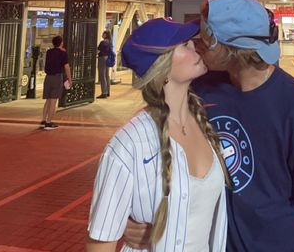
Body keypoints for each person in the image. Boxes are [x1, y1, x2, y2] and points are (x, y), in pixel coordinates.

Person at [124, 0, 294, 252]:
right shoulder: (200, 88)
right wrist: (132, 216)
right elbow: (151, 142)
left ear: (230, 48)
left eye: (206, 38)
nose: (198, 43)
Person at [87, 18, 228, 251]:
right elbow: (100, 242)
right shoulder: (129, 144)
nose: (196, 47)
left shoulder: (207, 125)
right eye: (185, 45)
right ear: (161, 68)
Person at [40, 35, 71, 130]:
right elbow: (66, 67)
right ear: (61, 43)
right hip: (57, 77)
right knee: (54, 101)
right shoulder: (63, 53)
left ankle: (43, 120)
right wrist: (69, 78)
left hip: (48, 77)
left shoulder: (49, 52)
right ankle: (49, 123)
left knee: (48, 100)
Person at [97, 30, 112, 98]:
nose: (102, 35)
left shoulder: (103, 42)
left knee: (102, 75)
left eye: (103, 34)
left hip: (102, 58)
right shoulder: (109, 42)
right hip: (108, 58)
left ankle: (104, 93)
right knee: (106, 75)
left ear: (105, 35)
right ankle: (108, 91)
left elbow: (98, 51)